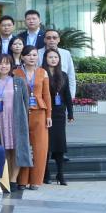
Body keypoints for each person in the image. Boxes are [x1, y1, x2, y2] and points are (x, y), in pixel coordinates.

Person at [0, 54, 33, 190]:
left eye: (6, 63)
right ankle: (4, 179)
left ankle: (13, 179)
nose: (3, 66)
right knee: (3, 150)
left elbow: (26, 102)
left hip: (16, 119)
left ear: (11, 66)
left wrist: (24, 120)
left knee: (17, 149)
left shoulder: (19, 81)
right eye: (0, 63)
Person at [15, 46, 51, 190]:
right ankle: (22, 180)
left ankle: (36, 180)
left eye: (34, 55)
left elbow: (47, 95)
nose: (32, 57)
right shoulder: (15, 72)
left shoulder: (43, 72)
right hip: (21, 113)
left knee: (40, 148)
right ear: (22, 57)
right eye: (29, 55)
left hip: (39, 112)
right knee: (23, 146)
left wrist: (49, 115)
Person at [44, 47, 73, 186]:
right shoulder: (41, 73)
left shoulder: (63, 75)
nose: (53, 59)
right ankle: (45, 173)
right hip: (45, 113)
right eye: (50, 57)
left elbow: (67, 95)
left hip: (59, 113)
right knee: (46, 144)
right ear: (45, 59)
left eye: (56, 57)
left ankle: (60, 174)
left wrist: (70, 113)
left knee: (60, 144)